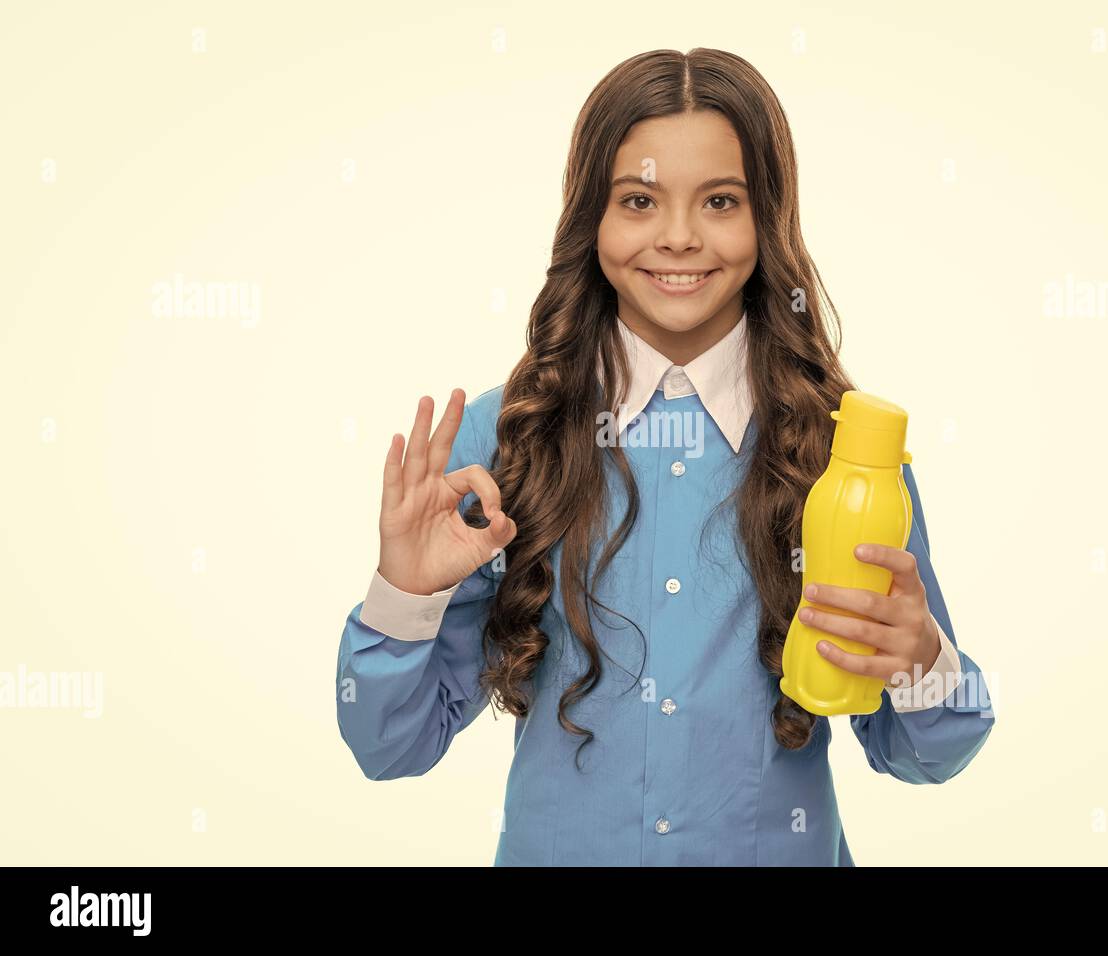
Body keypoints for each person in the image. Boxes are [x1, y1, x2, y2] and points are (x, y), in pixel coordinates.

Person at [336, 47, 995, 866]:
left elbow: (927, 752)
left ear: (769, 219)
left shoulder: (841, 450)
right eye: (639, 200)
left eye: (720, 200)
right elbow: (388, 747)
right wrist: (403, 594)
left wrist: (923, 660)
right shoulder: (501, 436)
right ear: (592, 220)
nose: (679, 238)